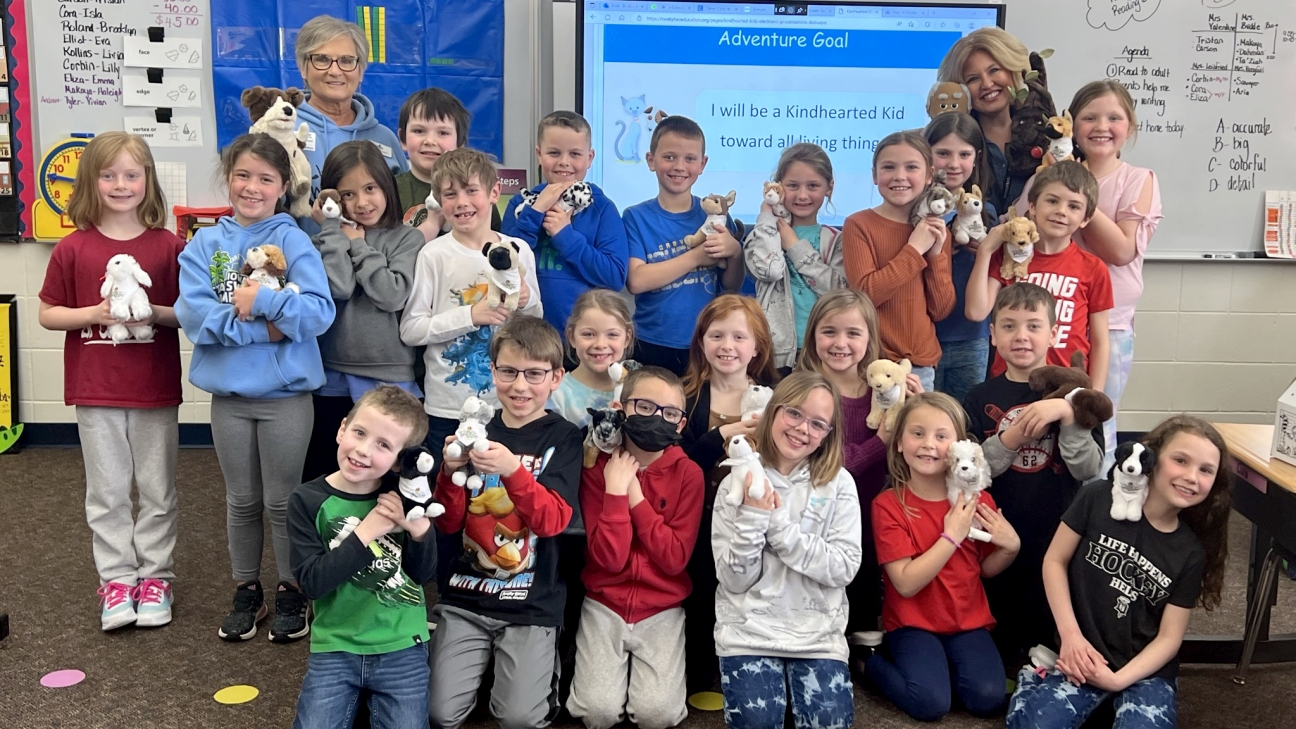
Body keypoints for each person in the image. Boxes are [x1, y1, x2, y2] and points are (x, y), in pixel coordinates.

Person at [176, 133, 336, 643]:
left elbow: (317, 312)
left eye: (265, 178)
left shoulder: (295, 241)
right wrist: (263, 330)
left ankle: (292, 588)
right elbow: (196, 319)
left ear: (282, 186)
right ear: (229, 178)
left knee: (282, 502)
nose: (252, 187)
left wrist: (264, 305)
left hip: (286, 397)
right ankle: (247, 587)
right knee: (241, 500)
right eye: (243, 175)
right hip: (229, 399)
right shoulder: (204, 244)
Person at [37, 132, 185, 631]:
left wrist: (151, 312)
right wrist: (95, 312)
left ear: (147, 181)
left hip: (154, 391)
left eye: (131, 174)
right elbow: (47, 314)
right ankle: (117, 580)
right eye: (108, 175)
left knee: (158, 490)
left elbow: (188, 315)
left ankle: (156, 577)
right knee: (107, 492)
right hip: (95, 390)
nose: (120, 184)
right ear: (91, 182)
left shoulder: (169, 247)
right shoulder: (74, 248)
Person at [1006, 415, 1232, 729]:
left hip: (1142, 672)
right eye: (1180, 460)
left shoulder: (1191, 552)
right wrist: (1071, 638)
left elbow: (1169, 638)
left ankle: (1105, 701)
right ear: (1150, 457)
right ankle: (1035, 677)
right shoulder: (1096, 497)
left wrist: (1117, 680)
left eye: (1206, 470)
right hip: (1080, 652)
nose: (1192, 477)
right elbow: (1054, 561)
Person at [427, 316, 583, 729]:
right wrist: (448, 471)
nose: (519, 386)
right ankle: (486, 671)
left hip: (531, 602)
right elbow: (448, 524)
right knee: (440, 714)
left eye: (534, 374)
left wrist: (514, 470)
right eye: (508, 372)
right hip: (467, 596)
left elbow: (552, 522)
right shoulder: (475, 430)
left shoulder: (564, 437)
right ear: (492, 370)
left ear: (556, 377)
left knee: (519, 719)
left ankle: (517, 678)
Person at [962, 282, 1104, 666]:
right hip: (998, 530)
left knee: (1046, 622)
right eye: (1008, 326)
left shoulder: (1079, 394)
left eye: (1033, 325)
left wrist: (1068, 415)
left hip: (1057, 530)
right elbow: (972, 472)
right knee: (999, 618)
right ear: (992, 334)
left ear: (1054, 332)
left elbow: (1090, 469)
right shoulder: (978, 397)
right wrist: (1013, 435)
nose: (1020, 336)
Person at [711, 371, 862, 729]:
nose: (802, 429)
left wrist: (775, 524)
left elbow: (843, 568)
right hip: (749, 634)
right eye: (794, 413)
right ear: (773, 411)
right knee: (756, 722)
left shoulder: (839, 483)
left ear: (828, 433)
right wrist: (751, 516)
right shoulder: (735, 481)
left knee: (828, 723)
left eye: (817, 423)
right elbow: (733, 580)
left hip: (818, 637)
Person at [867, 392, 1021, 722]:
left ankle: (943, 667)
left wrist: (1010, 548)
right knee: (930, 703)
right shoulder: (889, 505)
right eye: (917, 433)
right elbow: (906, 584)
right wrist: (951, 535)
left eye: (941, 436)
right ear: (898, 443)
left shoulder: (976, 501)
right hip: (912, 625)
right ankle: (868, 660)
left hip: (968, 623)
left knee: (987, 698)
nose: (928, 445)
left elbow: (984, 570)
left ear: (957, 448)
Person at [288, 386, 435, 729]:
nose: (363, 450)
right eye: (359, 433)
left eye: (383, 445)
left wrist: (419, 534)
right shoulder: (306, 500)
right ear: (342, 429)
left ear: (400, 460)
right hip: (336, 644)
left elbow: (422, 575)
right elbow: (312, 583)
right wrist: (366, 532)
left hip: (402, 643)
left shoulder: (407, 497)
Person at [566, 366, 704, 729]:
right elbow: (608, 560)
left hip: (662, 607)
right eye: (644, 407)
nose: (657, 418)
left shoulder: (689, 474)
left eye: (670, 413)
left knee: (656, 715)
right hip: (604, 602)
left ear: (680, 424)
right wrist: (613, 490)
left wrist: (633, 496)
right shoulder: (597, 467)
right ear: (620, 407)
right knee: (597, 713)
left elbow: (674, 559)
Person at [795, 288, 921, 652]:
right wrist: (878, 441)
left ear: (870, 339)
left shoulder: (882, 387)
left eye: (853, 333)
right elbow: (818, 460)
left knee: (864, 579)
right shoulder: (802, 389)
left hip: (869, 510)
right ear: (812, 334)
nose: (840, 343)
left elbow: (907, 453)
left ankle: (864, 642)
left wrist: (909, 409)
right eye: (829, 332)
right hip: (814, 512)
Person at [398, 146, 542, 462]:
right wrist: (471, 315)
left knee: (497, 500)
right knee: (447, 495)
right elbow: (411, 329)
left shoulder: (519, 250)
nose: (462, 202)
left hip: (508, 404)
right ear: (439, 201)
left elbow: (536, 326)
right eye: (450, 194)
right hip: (447, 408)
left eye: (471, 191)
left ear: (494, 192)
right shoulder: (433, 255)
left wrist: (528, 301)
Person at [300, 140, 425, 483]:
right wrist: (332, 230)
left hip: (391, 373)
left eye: (370, 188)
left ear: (386, 183)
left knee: (387, 477)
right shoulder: (325, 240)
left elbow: (391, 294)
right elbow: (338, 286)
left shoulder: (406, 238)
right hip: (332, 375)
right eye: (347, 195)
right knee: (329, 470)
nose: (362, 202)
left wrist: (358, 243)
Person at [678, 294, 779, 698]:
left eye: (740, 337)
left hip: (755, 517)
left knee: (753, 589)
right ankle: (701, 667)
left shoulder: (775, 399)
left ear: (757, 347)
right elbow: (677, 464)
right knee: (703, 587)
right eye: (716, 335)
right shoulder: (684, 396)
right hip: (698, 518)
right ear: (701, 341)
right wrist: (722, 433)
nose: (727, 346)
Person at [1064, 81, 1163, 472]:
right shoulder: (1056, 174)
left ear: (1131, 126)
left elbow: (1122, 250)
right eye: (1088, 117)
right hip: (1057, 319)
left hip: (1112, 324)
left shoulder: (1139, 179)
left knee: (1097, 418)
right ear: (1070, 126)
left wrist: (1077, 193)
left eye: (1113, 117)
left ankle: (1095, 511)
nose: (1100, 126)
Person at [965, 160, 1113, 389]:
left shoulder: (1093, 268)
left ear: (1085, 218)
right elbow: (976, 312)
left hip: (1067, 386)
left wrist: (1095, 394)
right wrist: (986, 250)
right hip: (1010, 382)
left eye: (1073, 206)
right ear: (1032, 206)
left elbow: (1101, 341)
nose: (1061, 211)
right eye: (1052, 201)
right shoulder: (1007, 259)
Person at [624, 115, 745, 375]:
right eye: (669, 157)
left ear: (702, 164)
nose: (679, 166)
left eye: (690, 159)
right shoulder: (635, 217)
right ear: (650, 160)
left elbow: (730, 285)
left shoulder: (717, 216)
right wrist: (696, 256)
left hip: (706, 344)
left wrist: (735, 252)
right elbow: (636, 280)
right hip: (650, 342)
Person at [841, 130, 955, 393]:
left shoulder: (936, 230)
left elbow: (940, 309)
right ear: (874, 175)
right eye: (889, 167)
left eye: (911, 167)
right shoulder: (859, 224)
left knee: (912, 432)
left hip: (919, 365)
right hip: (871, 362)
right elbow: (866, 294)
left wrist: (935, 254)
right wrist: (914, 249)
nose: (900, 176)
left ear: (928, 176)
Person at [502, 111, 629, 338]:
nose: (564, 162)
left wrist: (565, 236)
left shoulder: (602, 209)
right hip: (526, 338)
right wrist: (535, 212)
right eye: (554, 153)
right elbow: (505, 263)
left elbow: (614, 277)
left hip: (583, 343)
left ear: (589, 158)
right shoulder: (520, 205)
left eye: (575, 154)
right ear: (539, 155)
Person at [294, 15, 407, 232]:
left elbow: (399, 212)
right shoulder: (282, 129)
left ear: (361, 70)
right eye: (322, 59)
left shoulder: (384, 138)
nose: (335, 71)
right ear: (303, 67)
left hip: (373, 262)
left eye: (347, 60)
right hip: (299, 262)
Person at [743, 142, 846, 372]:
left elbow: (839, 293)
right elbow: (769, 270)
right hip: (774, 353)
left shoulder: (835, 240)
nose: (802, 195)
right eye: (792, 185)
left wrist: (795, 247)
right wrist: (767, 217)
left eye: (813, 186)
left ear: (829, 187)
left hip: (822, 352)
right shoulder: (762, 233)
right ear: (777, 187)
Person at [924, 113, 998, 403]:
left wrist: (986, 251)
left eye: (964, 154)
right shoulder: (917, 213)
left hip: (972, 335)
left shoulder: (986, 213)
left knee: (963, 418)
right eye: (943, 153)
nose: (953, 164)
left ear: (976, 157)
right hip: (924, 335)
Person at [937, 27, 1046, 213]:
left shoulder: (1046, 132)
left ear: (1012, 69)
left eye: (994, 70)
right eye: (973, 79)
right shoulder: (944, 143)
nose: (987, 84)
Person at [395, 87, 503, 239]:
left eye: (443, 133)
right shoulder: (390, 191)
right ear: (402, 138)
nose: (430, 141)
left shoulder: (478, 190)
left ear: (460, 143)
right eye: (419, 131)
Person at [549, 288, 634, 429]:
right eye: (588, 334)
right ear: (572, 337)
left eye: (612, 334)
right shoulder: (557, 393)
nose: (600, 344)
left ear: (627, 338)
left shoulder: (638, 389)